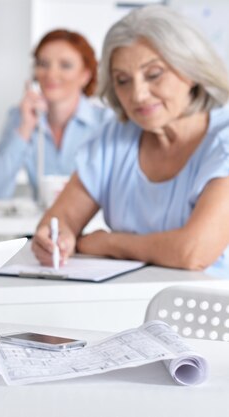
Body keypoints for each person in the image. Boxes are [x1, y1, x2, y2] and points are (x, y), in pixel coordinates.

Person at [32, 5, 229, 278]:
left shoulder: (224, 140)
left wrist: (108, 243)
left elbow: (194, 251)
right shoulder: (113, 138)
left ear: (190, 70)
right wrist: (56, 238)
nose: (138, 95)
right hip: (127, 307)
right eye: (123, 80)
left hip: (206, 312)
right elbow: (59, 220)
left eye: (154, 74)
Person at [0, 29, 112, 199]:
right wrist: (25, 128)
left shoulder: (105, 122)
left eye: (65, 65)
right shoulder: (20, 116)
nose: (51, 74)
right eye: (43, 64)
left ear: (85, 75)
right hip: (42, 222)